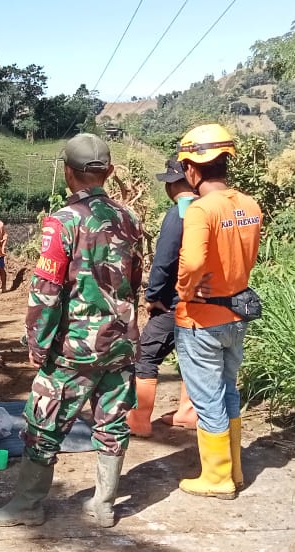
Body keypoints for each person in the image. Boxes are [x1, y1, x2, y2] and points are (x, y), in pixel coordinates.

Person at [0, 133, 143, 529]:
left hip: (74, 348)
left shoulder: (62, 222)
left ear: (69, 174)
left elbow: (47, 290)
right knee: (112, 422)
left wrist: (37, 341)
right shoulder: (130, 219)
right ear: (108, 172)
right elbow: (134, 280)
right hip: (120, 340)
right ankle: (103, 504)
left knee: (44, 422)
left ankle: (26, 506)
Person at [173, 123, 263, 499]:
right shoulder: (250, 205)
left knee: (207, 396)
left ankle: (217, 477)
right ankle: (236, 469)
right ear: (227, 160)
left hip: (202, 318)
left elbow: (192, 262)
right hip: (236, 315)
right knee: (228, 390)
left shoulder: (200, 210)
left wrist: (184, 291)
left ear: (192, 168)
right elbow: (248, 258)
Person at [127, 156, 199, 437]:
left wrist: (153, 294)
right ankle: (188, 412)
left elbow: (164, 260)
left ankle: (139, 421)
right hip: (204, 302)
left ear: (172, 184)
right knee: (191, 357)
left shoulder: (178, 213)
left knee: (146, 356)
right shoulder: (208, 208)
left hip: (173, 302)